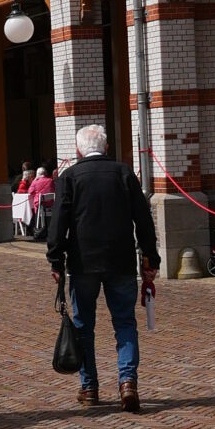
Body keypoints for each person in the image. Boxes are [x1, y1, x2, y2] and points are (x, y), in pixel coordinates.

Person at [46, 123, 160, 413]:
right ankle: (127, 382)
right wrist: (150, 257)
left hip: (83, 262)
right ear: (107, 147)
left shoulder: (69, 177)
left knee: (84, 326)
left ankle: (89, 387)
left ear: (78, 150)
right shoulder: (124, 173)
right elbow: (143, 219)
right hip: (120, 260)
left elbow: (58, 222)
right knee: (125, 323)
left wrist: (56, 258)